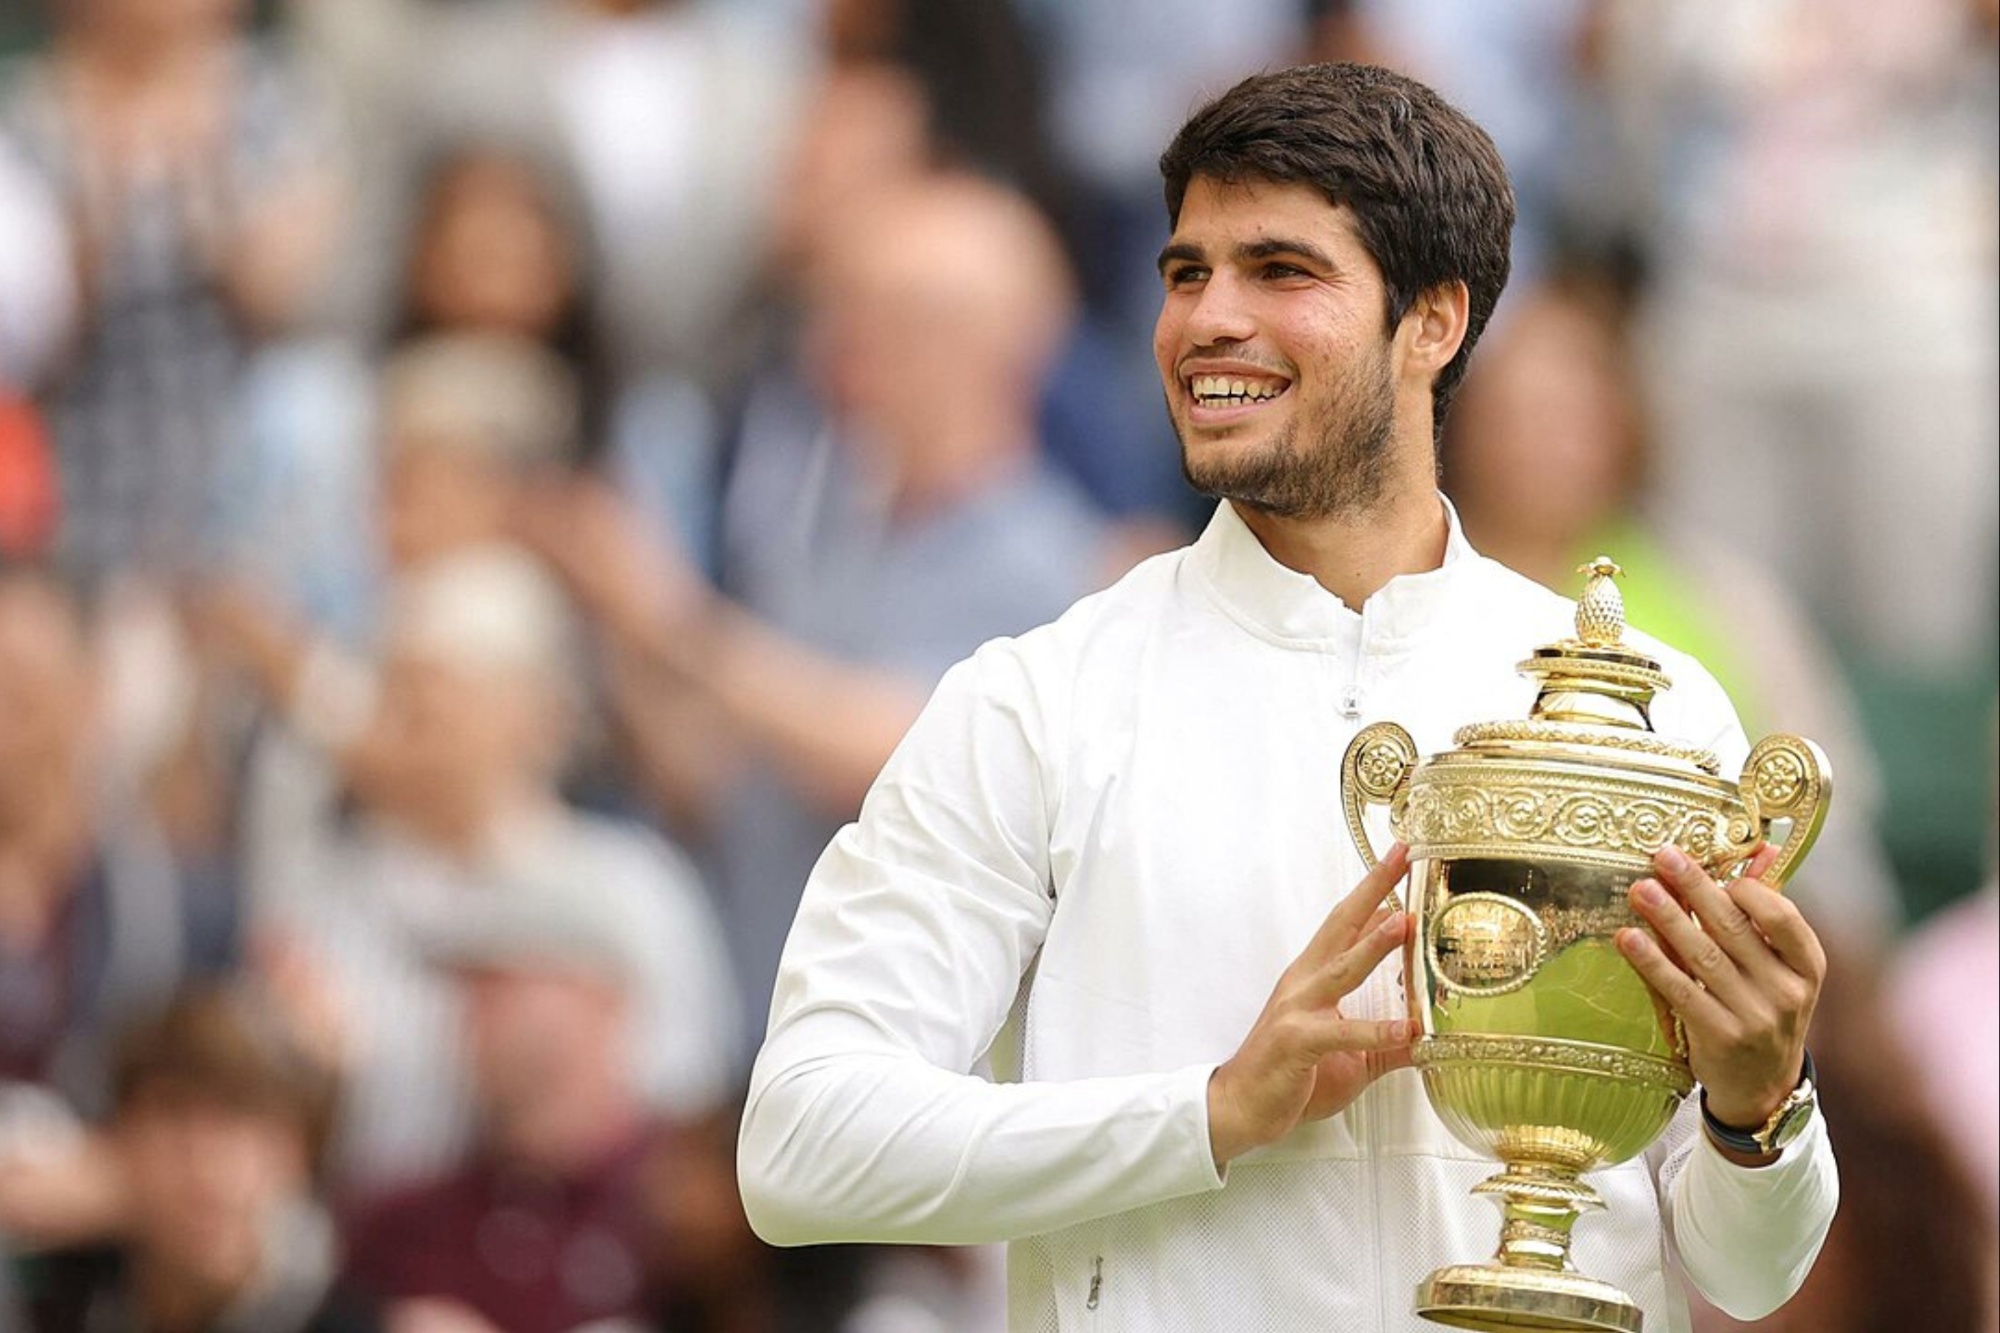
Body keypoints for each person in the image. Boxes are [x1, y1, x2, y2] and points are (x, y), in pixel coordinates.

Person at [736, 63, 1838, 1332]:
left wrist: (1759, 1109)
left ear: (1430, 320)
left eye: (1279, 270)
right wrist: (1211, 1110)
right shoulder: (1035, 700)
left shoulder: (1650, 717)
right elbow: (801, 1143)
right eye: (1184, 272)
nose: (1208, 318)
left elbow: (1747, 1269)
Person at [19, 984, 380, 1333]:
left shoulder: (344, 1315)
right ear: (120, 1135)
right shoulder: (55, 1291)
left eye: (238, 1124)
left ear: (298, 1152)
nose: (205, 1165)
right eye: (174, 1118)